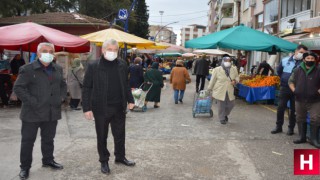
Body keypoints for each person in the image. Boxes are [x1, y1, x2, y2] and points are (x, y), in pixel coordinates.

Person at [13, 42, 67, 180]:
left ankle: (48, 160)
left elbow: (62, 84)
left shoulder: (58, 69)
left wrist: (60, 98)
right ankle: (25, 167)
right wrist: (33, 102)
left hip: (51, 112)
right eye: (44, 51)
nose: (48, 54)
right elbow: (18, 88)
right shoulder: (27, 69)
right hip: (32, 112)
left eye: (50, 51)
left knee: (49, 139)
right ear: (38, 53)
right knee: (28, 141)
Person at [82, 39, 135, 175]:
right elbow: (87, 87)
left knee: (120, 134)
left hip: (119, 107)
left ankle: (120, 157)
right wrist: (86, 108)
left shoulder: (122, 64)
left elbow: (126, 84)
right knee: (102, 136)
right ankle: (104, 160)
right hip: (101, 108)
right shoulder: (94, 66)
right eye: (109, 49)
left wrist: (130, 99)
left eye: (115, 50)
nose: (112, 52)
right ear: (103, 50)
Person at [271, 45, 308, 135]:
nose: (302, 55)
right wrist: (284, 79)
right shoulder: (285, 60)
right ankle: (278, 126)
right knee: (280, 107)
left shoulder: (304, 63)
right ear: (296, 51)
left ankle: (291, 128)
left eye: (304, 53)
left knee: (293, 109)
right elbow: (279, 71)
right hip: (285, 88)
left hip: (297, 89)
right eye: (301, 52)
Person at [288, 52, 320, 147]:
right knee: (300, 117)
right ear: (304, 59)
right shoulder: (297, 70)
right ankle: (302, 137)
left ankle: (314, 139)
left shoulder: (318, 70)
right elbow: (290, 81)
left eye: (312, 59)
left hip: (315, 100)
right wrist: (295, 90)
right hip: (299, 99)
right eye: (308, 58)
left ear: (315, 60)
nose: (310, 60)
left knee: (315, 119)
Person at [207, 56, 239, 124]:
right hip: (220, 89)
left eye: (229, 61)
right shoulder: (217, 69)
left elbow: (237, 77)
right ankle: (221, 118)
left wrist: (235, 81)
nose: (228, 62)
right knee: (221, 105)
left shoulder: (234, 68)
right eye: (226, 60)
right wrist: (209, 89)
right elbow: (212, 80)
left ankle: (225, 114)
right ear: (223, 61)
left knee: (231, 104)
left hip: (230, 89)